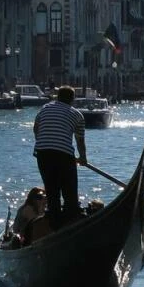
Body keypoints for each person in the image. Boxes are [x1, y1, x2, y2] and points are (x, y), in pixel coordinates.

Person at [33, 86, 87, 228]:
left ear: (57, 97)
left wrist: (42, 142)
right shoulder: (77, 115)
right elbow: (80, 140)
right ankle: (70, 222)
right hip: (63, 155)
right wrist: (83, 158)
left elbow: (36, 128)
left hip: (42, 154)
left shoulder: (45, 108)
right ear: (72, 99)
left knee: (52, 191)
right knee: (69, 193)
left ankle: (55, 224)